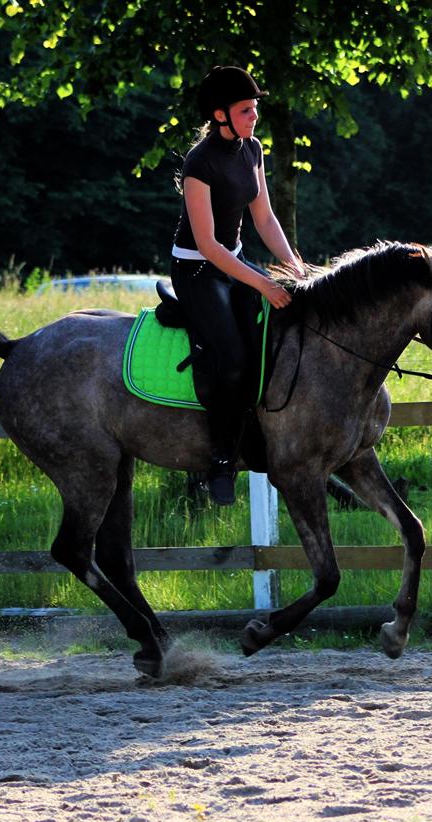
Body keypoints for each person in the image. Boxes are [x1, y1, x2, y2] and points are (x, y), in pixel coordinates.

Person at [171, 65, 304, 506]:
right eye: (246, 109)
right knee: (230, 359)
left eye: (255, 109)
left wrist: (293, 267)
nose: (254, 117)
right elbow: (208, 245)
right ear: (220, 114)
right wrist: (265, 286)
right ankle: (221, 460)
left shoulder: (253, 149)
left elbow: (264, 218)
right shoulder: (199, 163)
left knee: (279, 335)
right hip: (197, 269)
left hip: (236, 260)